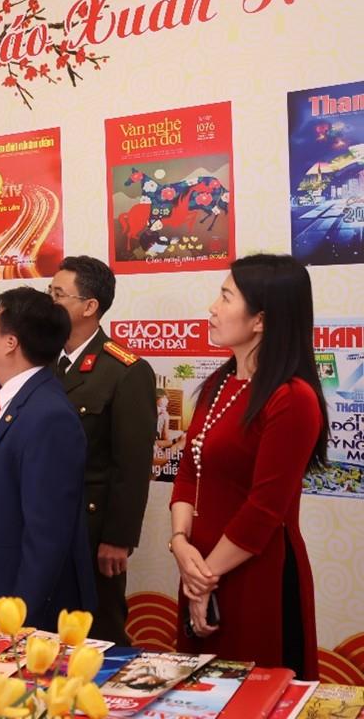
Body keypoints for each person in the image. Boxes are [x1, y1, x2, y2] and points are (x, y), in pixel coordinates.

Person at [169, 254, 325, 678]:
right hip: (199, 567)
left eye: (226, 297)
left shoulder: (292, 398)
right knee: (197, 693)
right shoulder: (217, 384)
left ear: (260, 320)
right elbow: (189, 472)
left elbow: (265, 509)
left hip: (255, 575)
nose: (212, 308)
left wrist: (205, 577)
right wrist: (181, 544)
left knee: (255, 690)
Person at [0, 287, 94, 630]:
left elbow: (46, 535)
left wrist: (19, 617)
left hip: (19, 608)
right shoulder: (11, 401)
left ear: (10, 343)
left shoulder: (48, 415)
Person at [50, 255, 156, 644]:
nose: (49, 302)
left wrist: (118, 537)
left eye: (58, 294)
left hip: (91, 530)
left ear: (89, 306)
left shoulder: (125, 371)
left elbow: (132, 464)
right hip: (43, 524)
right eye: (49, 292)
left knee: (98, 632)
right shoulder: (42, 361)